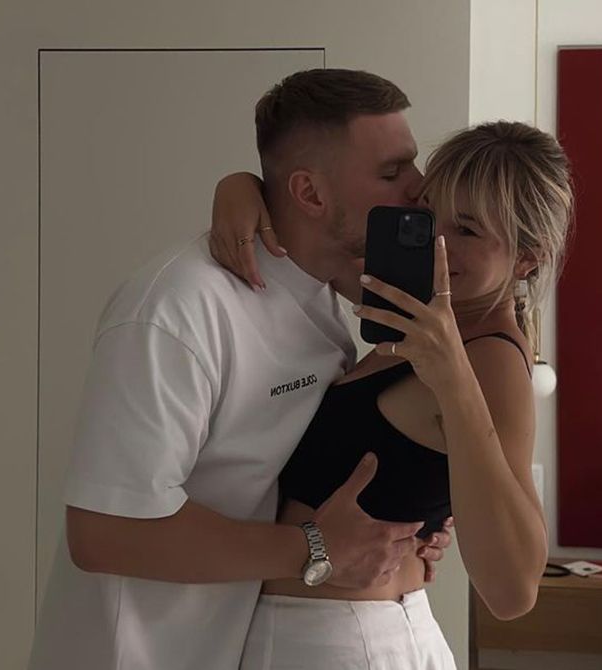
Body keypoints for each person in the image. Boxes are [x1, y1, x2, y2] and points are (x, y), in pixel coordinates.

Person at [27, 69, 454, 670]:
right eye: (392, 172)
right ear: (310, 194)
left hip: (240, 646)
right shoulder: (175, 309)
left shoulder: (329, 293)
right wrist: (315, 547)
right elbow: (102, 533)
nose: (419, 187)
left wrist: (409, 525)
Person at [208, 120, 573, 669]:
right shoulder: (422, 310)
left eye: (468, 229)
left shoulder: (487, 359)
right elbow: (306, 232)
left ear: (528, 257)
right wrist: (238, 186)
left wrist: (453, 379)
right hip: (329, 635)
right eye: (430, 214)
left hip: (344, 639)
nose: (439, 242)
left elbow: (514, 591)